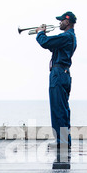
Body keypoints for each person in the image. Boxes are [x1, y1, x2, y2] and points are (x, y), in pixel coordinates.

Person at [36, 12, 77, 151]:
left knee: (58, 108)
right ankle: (64, 140)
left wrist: (41, 33)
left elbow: (46, 43)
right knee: (63, 109)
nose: (59, 23)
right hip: (63, 73)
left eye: (61, 21)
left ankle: (61, 141)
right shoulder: (70, 37)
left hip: (59, 74)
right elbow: (52, 46)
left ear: (67, 21)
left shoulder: (66, 36)